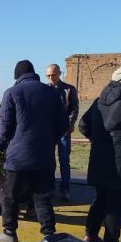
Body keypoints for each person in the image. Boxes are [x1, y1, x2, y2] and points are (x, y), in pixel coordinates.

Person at [0, 60, 69, 242]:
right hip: (44, 156)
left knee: (11, 196)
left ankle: (10, 233)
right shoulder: (52, 93)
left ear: (17, 76)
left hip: (18, 157)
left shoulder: (12, 93)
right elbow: (64, 125)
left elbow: (5, 128)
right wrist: (49, 139)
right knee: (43, 196)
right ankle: (49, 237)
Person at [79, 66, 121, 242]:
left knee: (100, 199)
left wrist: (97, 140)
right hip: (120, 162)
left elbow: (83, 125)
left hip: (98, 159)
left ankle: (90, 235)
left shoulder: (99, 102)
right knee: (116, 203)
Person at [45, 63, 79, 201]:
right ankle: (50, 187)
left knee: (64, 161)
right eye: (48, 75)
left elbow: (74, 109)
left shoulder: (69, 89)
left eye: (53, 74)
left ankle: (65, 188)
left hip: (64, 131)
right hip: (48, 132)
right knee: (49, 161)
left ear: (59, 73)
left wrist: (69, 126)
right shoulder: (44, 90)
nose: (51, 77)